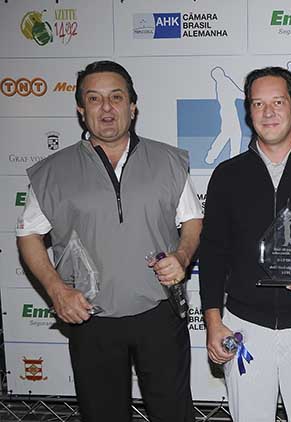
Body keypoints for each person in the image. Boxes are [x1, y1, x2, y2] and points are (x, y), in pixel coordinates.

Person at [16, 60, 202, 422]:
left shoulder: (168, 161)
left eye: (116, 97)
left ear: (133, 106)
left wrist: (182, 255)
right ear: (80, 110)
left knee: (173, 412)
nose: (106, 108)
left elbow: (192, 219)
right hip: (90, 316)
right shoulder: (53, 171)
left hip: (159, 313)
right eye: (94, 98)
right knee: (102, 414)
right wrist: (57, 291)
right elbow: (28, 235)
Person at [199, 66, 291, 422]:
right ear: (248, 112)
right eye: (257, 104)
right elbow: (213, 253)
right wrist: (214, 322)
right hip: (245, 326)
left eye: (278, 102)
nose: (268, 112)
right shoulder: (227, 176)